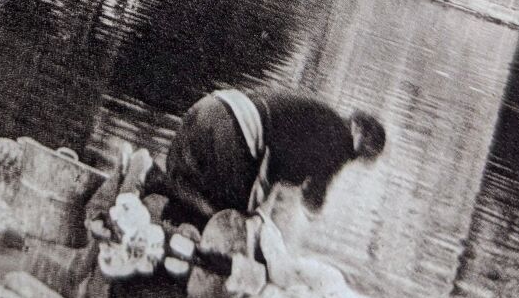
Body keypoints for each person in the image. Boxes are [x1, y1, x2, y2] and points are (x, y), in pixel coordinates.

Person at [143, 88, 386, 234]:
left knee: (192, 183)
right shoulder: (341, 141)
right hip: (235, 128)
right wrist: (311, 219)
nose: (353, 161)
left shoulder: (323, 118)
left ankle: (152, 179)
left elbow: (277, 165)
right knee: (229, 219)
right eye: (361, 156)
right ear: (359, 135)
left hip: (213, 104)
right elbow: (312, 196)